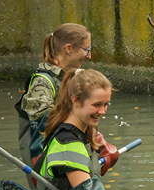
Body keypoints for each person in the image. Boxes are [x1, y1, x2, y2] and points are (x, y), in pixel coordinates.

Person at [15, 23, 120, 174]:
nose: (89, 56)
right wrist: (99, 140)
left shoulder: (73, 76)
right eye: (86, 50)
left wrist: (98, 143)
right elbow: (48, 122)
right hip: (48, 159)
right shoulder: (42, 82)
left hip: (71, 151)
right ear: (68, 49)